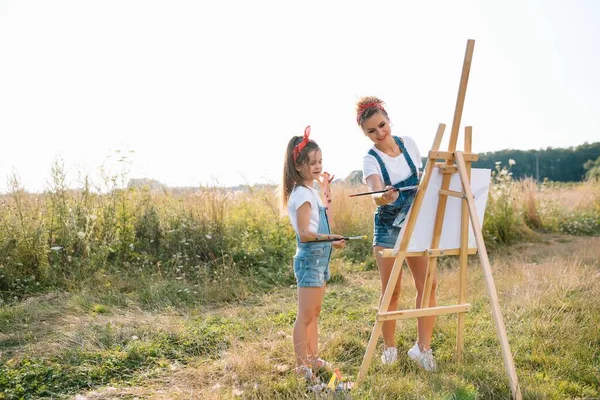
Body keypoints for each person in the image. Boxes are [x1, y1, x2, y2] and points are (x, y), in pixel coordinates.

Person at [357, 96, 437, 371]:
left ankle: (422, 349)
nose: (380, 133)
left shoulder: (409, 145)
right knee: (392, 291)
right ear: (364, 134)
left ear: (388, 120)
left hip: (415, 224)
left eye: (382, 125)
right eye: (372, 131)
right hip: (389, 229)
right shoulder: (370, 160)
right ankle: (389, 348)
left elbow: (424, 178)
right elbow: (376, 193)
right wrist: (383, 196)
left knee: (428, 285)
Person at [282, 125, 346, 383]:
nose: (318, 166)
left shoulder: (312, 191)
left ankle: (312, 357)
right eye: (312, 163)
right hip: (310, 258)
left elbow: (325, 221)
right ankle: (301, 366)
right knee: (305, 315)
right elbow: (305, 234)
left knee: (315, 312)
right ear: (298, 166)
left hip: (321, 258)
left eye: (320, 161)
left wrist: (326, 187)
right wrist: (330, 238)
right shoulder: (301, 195)